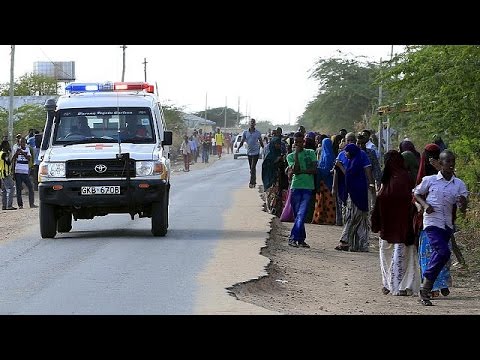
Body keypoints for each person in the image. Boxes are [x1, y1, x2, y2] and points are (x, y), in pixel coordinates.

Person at [414, 149, 468, 306]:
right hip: (431, 222)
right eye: (448, 161)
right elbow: (416, 193)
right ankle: (425, 288)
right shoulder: (430, 180)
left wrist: (464, 204)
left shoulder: (459, 184)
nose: (451, 164)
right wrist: (425, 205)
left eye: (453, 162)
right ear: (440, 163)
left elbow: (462, 207)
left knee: (440, 255)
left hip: (447, 225)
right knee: (443, 252)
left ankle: (426, 288)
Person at [371, 150, 419, 296]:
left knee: (386, 255)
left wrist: (376, 224)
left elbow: (378, 203)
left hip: (387, 229)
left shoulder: (387, 181)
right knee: (405, 257)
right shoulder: (408, 179)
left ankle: (388, 284)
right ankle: (404, 286)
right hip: (404, 229)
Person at [333, 141, 374, 252]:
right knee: (361, 220)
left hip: (356, 195)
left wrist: (340, 166)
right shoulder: (355, 161)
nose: (345, 155)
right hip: (361, 195)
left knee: (351, 218)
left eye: (347, 152)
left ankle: (344, 241)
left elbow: (349, 175)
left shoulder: (354, 165)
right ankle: (362, 245)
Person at [286, 132, 317, 248]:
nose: (298, 144)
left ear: (304, 142)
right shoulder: (290, 156)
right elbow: (295, 169)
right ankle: (301, 239)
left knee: (302, 214)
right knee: (298, 215)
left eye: (300, 142)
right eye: (296, 142)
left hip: (308, 187)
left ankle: (293, 238)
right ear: (293, 143)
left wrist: (301, 171)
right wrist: (296, 156)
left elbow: (314, 170)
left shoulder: (311, 153)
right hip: (296, 186)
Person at [237, 118, 264, 188]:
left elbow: (261, 142)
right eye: (251, 122)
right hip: (249, 152)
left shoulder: (258, 133)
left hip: (256, 152)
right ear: (249, 124)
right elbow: (242, 141)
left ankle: (251, 182)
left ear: (255, 124)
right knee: (251, 168)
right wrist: (238, 148)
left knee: (252, 167)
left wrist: (264, 149)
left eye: (253, 123)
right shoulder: (245, 132)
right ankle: (254, 181)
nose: (252, 124)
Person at [12, 137, 37, 209]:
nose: (22, 143)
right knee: (19, 189)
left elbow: (29, 159)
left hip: (25, 172)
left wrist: (22, 152)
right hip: (18, 172)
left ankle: (31, 204)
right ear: (19, 143)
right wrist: (16, 153)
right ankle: (20, 205)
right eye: (21, 142)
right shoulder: (16, 149)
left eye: (23, 142)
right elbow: (13, 160)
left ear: (25, 143)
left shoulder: (27, 149)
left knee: (30, 187)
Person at [0, 140, 16, 210]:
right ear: (5, 146)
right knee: (11, 188)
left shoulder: (0, 153)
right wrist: (13, 156)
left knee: (4, 190)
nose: (9, 146)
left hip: (1, 174)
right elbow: (9, 163)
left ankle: (4, 205)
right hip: (6, 174)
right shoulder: (4, 154)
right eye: (8, 145)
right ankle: (9, 205)